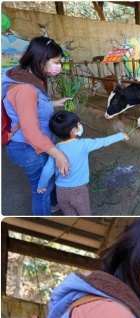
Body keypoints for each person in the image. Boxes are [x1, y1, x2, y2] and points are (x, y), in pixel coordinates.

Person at [1, 36, 72, 215]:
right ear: (41, 60)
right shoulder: (24, 88)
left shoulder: (27, 75)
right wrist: (59, 154)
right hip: (28, 148)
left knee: (47, 183)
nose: (59, 66)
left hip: (34, 146)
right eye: (56, 62)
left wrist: (55, 103)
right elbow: (31, 132)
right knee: (41, 191)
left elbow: (32, 107)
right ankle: (45, 217)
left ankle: (54, 205)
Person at [37, 111, 128, 215]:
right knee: (85, 214)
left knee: (69, 215)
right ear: (74, 130)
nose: (80, 126)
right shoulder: (84, 144)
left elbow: (47, 170)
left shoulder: (55, 150)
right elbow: (103, 141)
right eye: (79, 124)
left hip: (61, 191)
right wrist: (121, 135)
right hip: (79, 191)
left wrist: (41, 185)